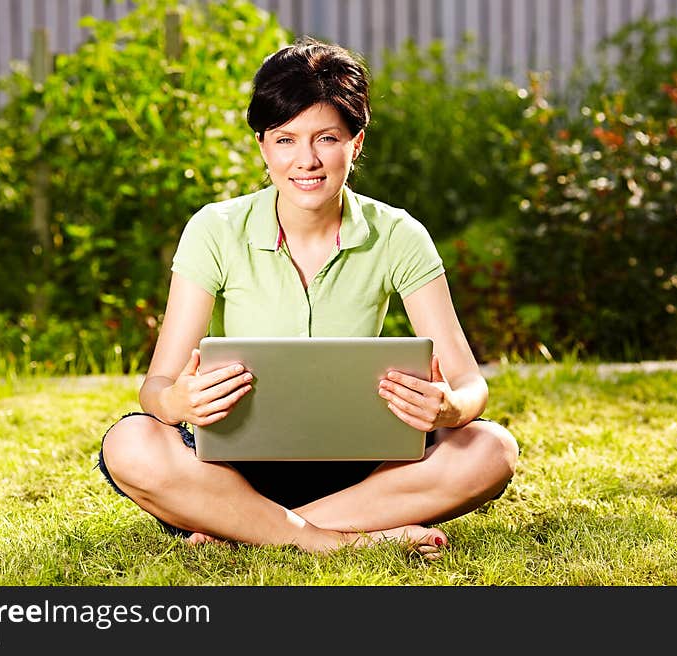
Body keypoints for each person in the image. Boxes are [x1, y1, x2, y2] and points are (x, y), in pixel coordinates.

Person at [97, 37, 518, 560]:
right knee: (129, 443)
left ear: (355, 144)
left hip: (365, 472)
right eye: (286, 140)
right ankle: (336, 542)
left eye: (326, 138)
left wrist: (451, 408)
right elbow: (155, 388)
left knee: (491, 449)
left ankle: (245, 528)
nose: (306, 161)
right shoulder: (215, 229)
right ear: (262, 146)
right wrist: (176, 401)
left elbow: (469, 383)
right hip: (235, 466)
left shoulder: (399, 235)